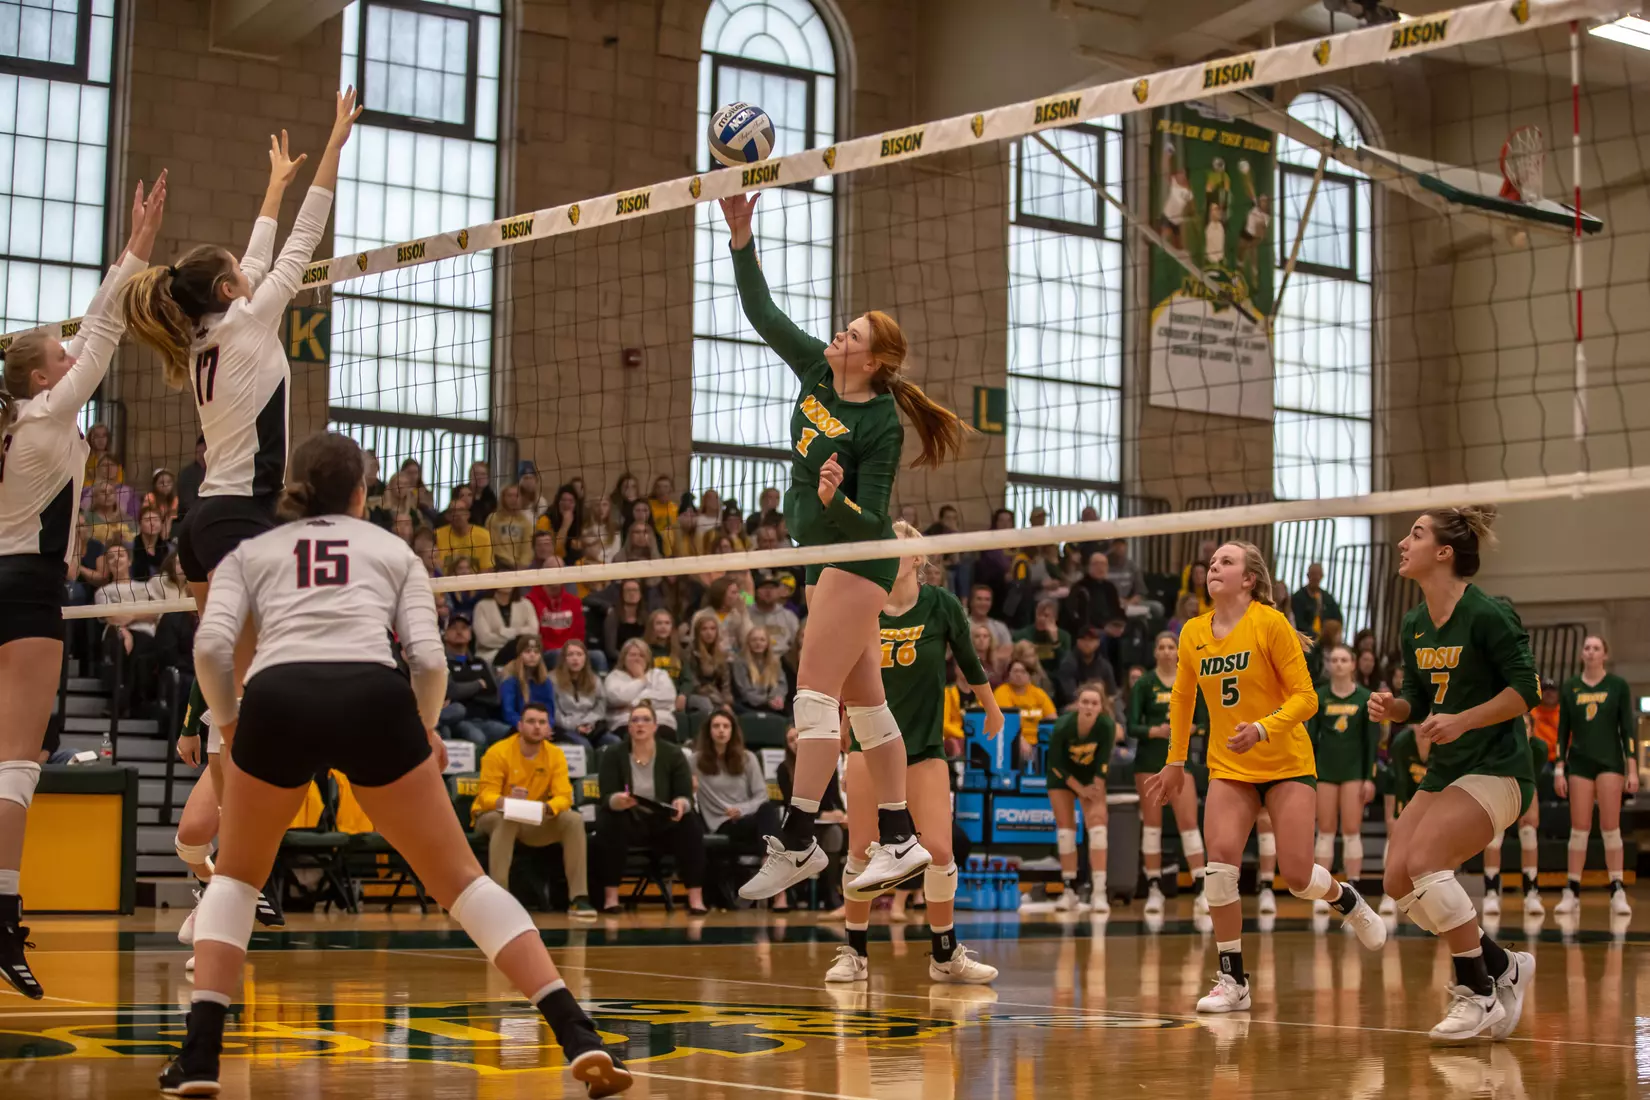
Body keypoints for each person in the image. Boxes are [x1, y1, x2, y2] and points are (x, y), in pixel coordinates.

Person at [162, 432, 629, 1096]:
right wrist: (426, 729)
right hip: (371, 696)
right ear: (360, 494)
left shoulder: (253, 551)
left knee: (235, 880)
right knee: (463, 882)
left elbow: (209, 648)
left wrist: (231, 724)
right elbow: (430, 662)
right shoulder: (391, 548)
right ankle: (576, 1033)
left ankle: (201, 1057)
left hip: (277, 696)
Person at [719, 189, 968, 901]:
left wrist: (838, 500)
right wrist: (743, 234)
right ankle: (897, 838)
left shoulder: (881, 424)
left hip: (858, 559)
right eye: (845, 327)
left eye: (853, 334)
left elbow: (876, 521)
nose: (840, 335)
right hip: (823, 556)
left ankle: (798, 841)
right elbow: (762, 314)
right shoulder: (817, 371)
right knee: (865, 708)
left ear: (874, 359)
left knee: (813, 697)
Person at [0, 175, 166, 999]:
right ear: (39, 381)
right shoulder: (44, 420)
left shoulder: (13, 431)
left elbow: (91, 333)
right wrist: (138, 244)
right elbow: (101, 329)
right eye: (56, 359)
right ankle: (2, 917)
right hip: (26, 591)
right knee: (16, 765)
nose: (71, 361)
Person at [1145, 541, 1384, 1016]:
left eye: (1226, 562)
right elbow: (1181, 701)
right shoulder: (1193, 632)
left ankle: (1347, 898)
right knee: (1220, 869)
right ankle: (1233, 979)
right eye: (1212, 563)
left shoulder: (1269, 623)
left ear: (1249, 579)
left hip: (1285, 763)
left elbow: (1307, 699)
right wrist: (1175, 761)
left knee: (1296, 876)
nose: (1214, 567)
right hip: (1229, 766)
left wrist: (1261, 728)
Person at [1370, 506, 1540, 1041]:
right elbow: (1419, 702)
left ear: (1444, 553)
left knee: (1425, 863)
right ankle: (1504, 964)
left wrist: (1462, 721)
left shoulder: (1488, 613)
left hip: (1500, 768)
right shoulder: (1415, 623)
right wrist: (1393, 707)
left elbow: (1526, 691)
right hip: (1448, 770)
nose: (1403, 542)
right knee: (1397, 879)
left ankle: (1479, 991)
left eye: (1415, 534)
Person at [827, 522, 1003, 984]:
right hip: (869, 744)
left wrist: (993, 710)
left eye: (900, 542)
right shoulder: (864, 607)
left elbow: (968, 659)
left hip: (923, 748)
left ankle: (945, 956)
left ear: (919, 558)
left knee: (940, 850)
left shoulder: (941, 604)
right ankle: (854, 953)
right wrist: (842, 730)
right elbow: (847, 671)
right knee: (863, 853)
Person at [472, 702, 595, 919]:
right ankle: (499, 899)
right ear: (520, 725)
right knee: (506, 818)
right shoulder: (498, 752)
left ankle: (579, 899)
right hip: (491, 816)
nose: (536, 727)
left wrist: (548, 808)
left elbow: (564, 797)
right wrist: (508, 801)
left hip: (533, 817)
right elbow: (486, 797)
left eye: (542, 722)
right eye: (530, 721)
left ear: (549, 729)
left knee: (573, 819)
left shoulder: (555, 755)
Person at [1554, 634, 1638, 917]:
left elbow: (1628, 729)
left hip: (1610, 763)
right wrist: (1559, 767)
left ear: (1605, 654)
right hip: (1579, 764)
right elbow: (1562, 730)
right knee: (1579, 829)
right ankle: (1572, 890)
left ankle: (1617, 889)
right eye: (1587, 648)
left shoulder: (1618, 686)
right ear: (1581, 654)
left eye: (1596, 648)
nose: (1590, 652)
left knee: (1610, 828)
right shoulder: (1570, 687)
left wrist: (1633, 767)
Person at [594, 702, 705, 914]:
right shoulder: (613, 754)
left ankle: (696, 898)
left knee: (690, 824)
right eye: (634, 720)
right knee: (609, 820)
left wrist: (681, 803)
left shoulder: (673, 754)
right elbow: (606, 796)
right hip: (629, 819)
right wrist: (617, 800)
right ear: (628, 727)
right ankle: (611, 898)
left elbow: (684, 794)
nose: (640, 724)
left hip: (663, 821)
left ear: (655, 726)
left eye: (645, 720)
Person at [1129, 632, 1209, 916]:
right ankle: (1154, 888)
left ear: (1177, 651)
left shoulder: (1189, 679)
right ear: (1155, 652)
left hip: (1179, 763)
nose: (1165, 651)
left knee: (1189, 823)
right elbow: (1131, 727)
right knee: (1152, 826)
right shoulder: (1144, 684)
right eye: (1160, 646)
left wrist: (1189, 730)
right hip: (1149, 762)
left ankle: (1202, 888)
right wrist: (1156, 731)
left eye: (1170, 646)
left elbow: (1203, 723)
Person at [1309, 644, 1377, 916]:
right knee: (1325, 831)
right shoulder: (1320, 696)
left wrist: (1369, 777)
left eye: (1343, 659)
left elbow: (1371, 741)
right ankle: (1322, 893)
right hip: (1325, 771)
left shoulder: (1365, 697)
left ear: (1353, 665)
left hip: (1353, 772)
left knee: (1351, 831)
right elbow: (1311, 739)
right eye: (1334, 659)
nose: (1338, 664)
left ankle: (1354, 890)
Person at [1046, 683, 1122, 913]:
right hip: (1062, 778)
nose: (1089, 706)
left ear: (1101, 707)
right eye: (1085, 702)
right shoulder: (1062, 726)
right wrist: (1080, 789)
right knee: (1066, 832)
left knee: (1098, 829)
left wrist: (1094, 787)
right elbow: (1056, 765)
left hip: (1090, 777)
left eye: (1094, 703)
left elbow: (1103, 764)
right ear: (1078, 705)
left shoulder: (1107, 725)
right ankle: (1068, 891)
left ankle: (1099, 893)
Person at [691, 708, 780, 852]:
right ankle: (771, 862)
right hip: (720, 821)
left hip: (746, 817)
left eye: (726, 726)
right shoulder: (695, 761)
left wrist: (742, 809)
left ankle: (769, 859)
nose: (721, 730)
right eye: (716, 726)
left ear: (732, 731)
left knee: (768, 810)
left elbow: (761, 795)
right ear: (708, 731)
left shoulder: (747, 758)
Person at [440, 614, 511, 749]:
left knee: (513, 734)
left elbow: (494, 696)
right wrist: (478, 685)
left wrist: (465, 691)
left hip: (485, 719)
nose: (459, 631)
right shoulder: (442, 662)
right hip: (459, 720)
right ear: (445, 635)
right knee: (478, 738)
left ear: (471, 635)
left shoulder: (481, 662)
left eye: (464, 628)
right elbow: (451, 691)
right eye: (453, 628)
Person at [548, 639, 615, 760]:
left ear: (585, 658)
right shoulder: (552, 680)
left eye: (579, 654)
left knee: (614, 742)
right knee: (585, 748)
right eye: (570, 655)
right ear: (564, 659)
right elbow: (554, 710)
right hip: (565, 728)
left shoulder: (594, 679)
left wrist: (588, 722)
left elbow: (600, 706)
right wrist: (575, 726)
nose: (575, 658)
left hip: (591, 726)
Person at [605, 638, 680, 735]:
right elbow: (618, 698)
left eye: (642, 655)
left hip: (660, 721)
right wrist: (641, 680)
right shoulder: (614, 676)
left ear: (648, 659)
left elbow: (667, 697)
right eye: (633, 655)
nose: (637, 659)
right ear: (624, 658)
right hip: (625, 722)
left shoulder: (659, 674)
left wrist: (635, 703)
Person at [995, 658, 1057, 767]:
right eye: (1015, 671)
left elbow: (1052, 720)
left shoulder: (1038, 693)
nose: (1019, 675)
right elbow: (1006, 723)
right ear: (1009, 674)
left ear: (1029, 675)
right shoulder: (1002, 692)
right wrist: (1020, 740)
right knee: (1024, 752)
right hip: (1014, 740)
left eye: (1023, 671)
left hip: (1040, 740)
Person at [472, 584, 539, 667]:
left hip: (523, 654)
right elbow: (485, 638)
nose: (507, 582)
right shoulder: (481, 606)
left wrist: (507, 632)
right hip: (491, 655)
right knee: (517, 646)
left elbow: (533, 632)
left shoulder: (526, 604)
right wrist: (515, 639)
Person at [732, 623, 789, 716]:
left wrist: (778, 698)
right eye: (754, 640)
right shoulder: (740, 663)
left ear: (767, 643)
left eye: (762, 640)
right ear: (748, 643)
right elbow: (745, 692)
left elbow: (781, 685)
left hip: (771, 704)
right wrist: (767, 701)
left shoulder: (775, 662)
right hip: (748, 705)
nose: (758, 643)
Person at [499, 636, 554, 731]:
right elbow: (508, 712)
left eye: (536, 652)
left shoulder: (545, 681)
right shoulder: (510, 679)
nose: (532, 655)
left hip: (542, 727)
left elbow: (550, 710)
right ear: (519, 655)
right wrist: (527, 726)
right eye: (527, 651)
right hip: (518, 727)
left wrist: (547, 726)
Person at [1014, 598, 1070, 689]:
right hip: (1028, 676)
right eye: (1039, 614)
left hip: (1055, 679)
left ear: (1055, 618)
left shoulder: (1064, 636)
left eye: (1046, 616)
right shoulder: (1022, 635)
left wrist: (1055, 641)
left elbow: (1065, 664)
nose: (1041, 619)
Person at [747, 569, 800, 657]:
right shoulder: (746, 615)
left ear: (778, 591)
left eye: (773, 588)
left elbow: (797, 643)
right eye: (764, 587)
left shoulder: (789, 616)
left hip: (782, 660)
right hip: (752, 659)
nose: (769, 591)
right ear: (756, 591)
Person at [435, 497, 494, 572]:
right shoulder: (437, 535)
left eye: (461, 510)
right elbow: (435, 566)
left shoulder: (484, 536)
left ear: (468, 515)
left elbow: (486, 568)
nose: (458, 514)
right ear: (447, 516)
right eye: (453, 511)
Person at [486, 483, 535, 569]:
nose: (513, 499)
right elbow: (491, 544)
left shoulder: (526, 522)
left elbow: (527, 546)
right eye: (509, 496)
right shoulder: (493, 519)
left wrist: (522, 564)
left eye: (516, 496)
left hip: (520, 566)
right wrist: (507, 562)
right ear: (503, 498)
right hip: (499, 563)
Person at [1291, 562, 1343, 640]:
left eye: (1318, 574)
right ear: (1308, 575)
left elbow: (1337, 618)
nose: (1316, 577)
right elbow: (1298, 621)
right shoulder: (1298, 597)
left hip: (1325, 640)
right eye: (1313, 574)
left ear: (1322, 576)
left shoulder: (1328, 598)